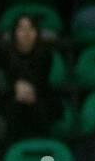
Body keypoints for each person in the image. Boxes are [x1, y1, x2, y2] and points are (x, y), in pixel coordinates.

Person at [3, 13, 62, 145]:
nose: (26, 33)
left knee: (40, 106)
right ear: (15, 33)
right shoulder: (6, 54)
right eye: (22, 29)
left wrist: (30, 91)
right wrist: (17, 88)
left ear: (37, 32)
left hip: (40, 94)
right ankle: (13, 151)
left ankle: (45, 150)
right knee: (15, 107)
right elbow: (9, 80)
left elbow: (42, 81)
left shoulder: (46, 54)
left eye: (30, 28)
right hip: (15, 97)